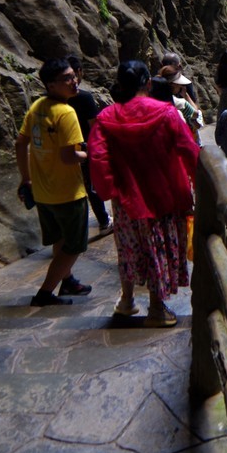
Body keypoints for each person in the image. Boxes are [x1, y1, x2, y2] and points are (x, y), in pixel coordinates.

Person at [89, 60, 199, 327]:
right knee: (156, 249)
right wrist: (198, 185)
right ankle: (156, 309)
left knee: (128, 248)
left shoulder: (107, 117)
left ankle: (127, 301)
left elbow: (97, 157)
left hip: (127, 199)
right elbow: (189, 150)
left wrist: (109, 190)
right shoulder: (167, 113)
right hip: (164, 194)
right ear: (148, 84)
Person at [16, 58, 94, 306]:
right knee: (74, 245)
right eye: (67, 79)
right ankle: (45, 293)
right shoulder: (66, 112)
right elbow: (69, 156)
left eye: (74, 76)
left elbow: (20, 143)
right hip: (68, 193)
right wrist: (91, 153)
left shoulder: (38, 106)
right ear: (51, 85)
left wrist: (26, 179)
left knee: (60, 239)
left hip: (42, 192)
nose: (74, 82)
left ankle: (67, 280)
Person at [66, 55, 112, 238]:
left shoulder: (50, 100)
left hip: (62, 148)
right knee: (91, 186)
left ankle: (73, 227)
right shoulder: (84, 97)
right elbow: (94, 126)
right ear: (78, 72)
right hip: (84, 146)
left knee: (73, 188)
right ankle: (103, 221)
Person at [159, 64, 203, 142]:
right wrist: (186, 96)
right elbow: (196, 115)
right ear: (173, 85)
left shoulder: (152, 98)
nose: (181, 86)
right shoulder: (180, 103)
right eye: (179, 84)